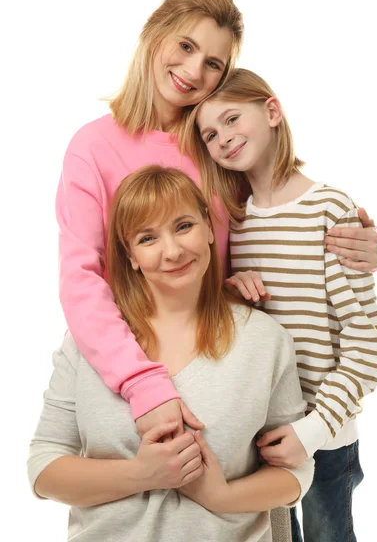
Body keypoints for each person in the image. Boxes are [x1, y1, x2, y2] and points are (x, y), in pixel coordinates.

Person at [57, 0, 377, 446]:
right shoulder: (92, 146)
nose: (194, 71)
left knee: (251, 506)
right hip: (130, 363)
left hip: (226, 360)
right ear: (154, 36)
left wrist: (365, 242)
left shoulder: (215, 145)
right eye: (186, 47)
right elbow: (80, 277)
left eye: (214, 63)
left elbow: (279, 211)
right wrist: (140, 382)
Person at [28, 166, 315, 542]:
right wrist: (142, 474)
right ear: (130, 255)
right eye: (148, 238)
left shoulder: (264, 341)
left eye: (183, 226)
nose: (173, 251)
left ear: (209, 230)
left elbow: (296, 471)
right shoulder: (88, 344)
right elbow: (43, 467)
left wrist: (221, 496)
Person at [191, 68, 377, 542]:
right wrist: (233, 290)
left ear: (272, 111)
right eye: (211, 134)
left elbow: (365, 350)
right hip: (263, 435)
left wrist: (314, 431)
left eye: (233, 119)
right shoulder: (235, 224)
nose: (224, 139)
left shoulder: (329, 209)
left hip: (325, 435)